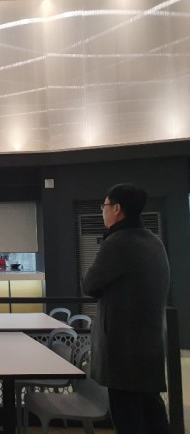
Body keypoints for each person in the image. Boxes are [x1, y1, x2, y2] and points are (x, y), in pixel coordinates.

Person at [81, 183, 170, 434]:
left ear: (117, 209)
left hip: (123, 351)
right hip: (149, 346)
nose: (102, 211)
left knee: (128, 417)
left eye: (104, 205)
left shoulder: (118, 242)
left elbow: (89, 284)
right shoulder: (154, 242)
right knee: (152, 412)